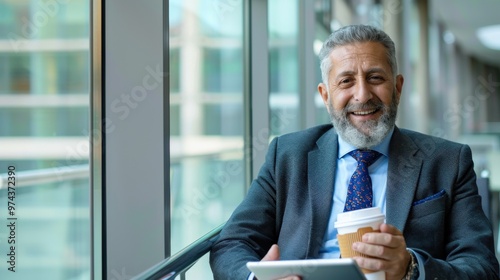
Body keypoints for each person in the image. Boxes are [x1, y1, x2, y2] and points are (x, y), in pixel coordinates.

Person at [209, 24, 500, 280]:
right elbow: (232, 243)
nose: (362, 95)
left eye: (375, 78)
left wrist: (411, 269)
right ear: (325, 95)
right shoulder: (287, 155)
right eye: (346, 81)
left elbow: (481, 266)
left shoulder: (448, 161)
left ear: (397, 88)